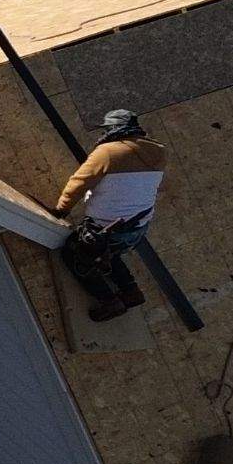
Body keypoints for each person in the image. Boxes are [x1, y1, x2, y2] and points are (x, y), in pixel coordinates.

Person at [55, 109, 165, 322]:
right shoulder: (159, 152)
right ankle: (131, 291)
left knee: (75, 253)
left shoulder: (107, 153)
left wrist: (61, 209)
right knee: (109, 253)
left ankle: (108, 301)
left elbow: (78, 184)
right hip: (138, 227)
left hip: (106, 228)